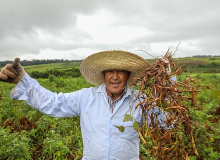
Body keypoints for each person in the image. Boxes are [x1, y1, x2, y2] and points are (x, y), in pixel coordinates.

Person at [0, 50, 174, 160]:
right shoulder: (86, 97)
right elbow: (54, 103)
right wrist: (24, 81)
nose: (115, 76)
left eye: (120, 71)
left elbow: (167, 122)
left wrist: (167, 84)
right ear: (103, 75)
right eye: (110, 72)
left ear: (128, 75)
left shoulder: (141, 101)